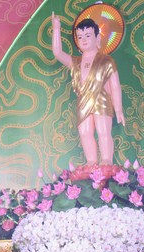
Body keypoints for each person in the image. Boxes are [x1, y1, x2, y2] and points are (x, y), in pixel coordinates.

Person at [52, 14, 124, 167]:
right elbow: (57, 53)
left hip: (101, 100)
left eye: (88, 35)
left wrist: (118, 109)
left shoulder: (107, 61)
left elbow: (115, 86)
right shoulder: (75, 62)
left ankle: (106, 160)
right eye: (80, 37)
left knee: (103, 132)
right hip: (83, 102)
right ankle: (91, 161)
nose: (83, 39)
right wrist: (56, 28)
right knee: (85, 133)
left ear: (97, 38)